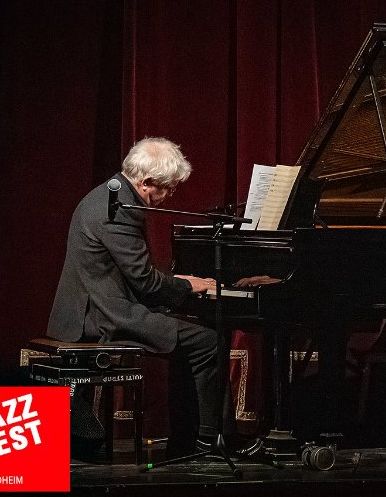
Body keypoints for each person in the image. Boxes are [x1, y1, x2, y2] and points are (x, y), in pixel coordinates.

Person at [46, 137, 254, 455]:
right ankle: (209, 442)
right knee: (209, 341)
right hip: (102, 318)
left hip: (101, 306)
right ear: (146, 183)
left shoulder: (110, 194)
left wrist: (175, 281)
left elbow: (134, 273)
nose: (169, 195)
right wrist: (188, 286)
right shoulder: (117, 211)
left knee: (195, 335)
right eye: (167, 188)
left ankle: (187, 438)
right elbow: (145, 282)